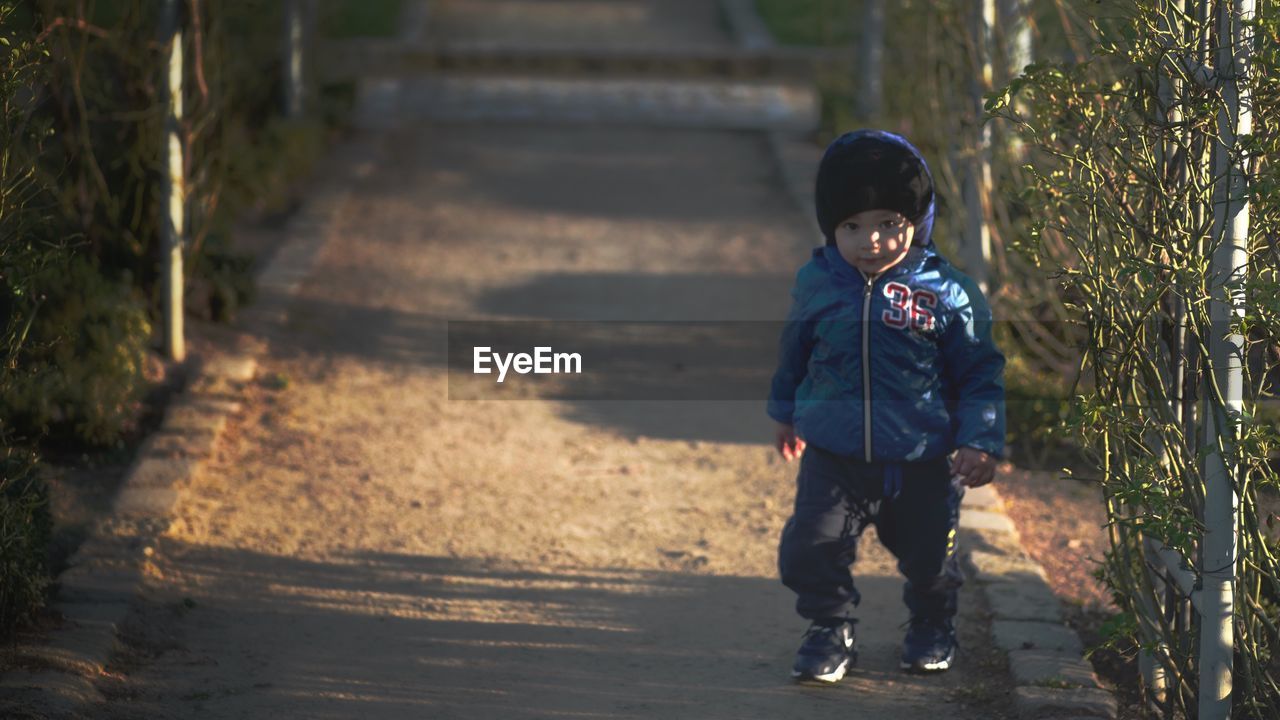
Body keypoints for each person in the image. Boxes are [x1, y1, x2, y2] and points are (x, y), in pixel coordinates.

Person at [766, 129, 1006, 684]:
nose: (869, 241)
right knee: (811, 545)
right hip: (835, 452)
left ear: (915, 222)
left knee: (929, 560)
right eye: (851, 226)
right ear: (832, 227)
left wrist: (980, 440)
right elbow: (795, 350)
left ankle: (931, 622)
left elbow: (979, 373)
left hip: (922, 456)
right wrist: (786, 411)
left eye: (887, 224)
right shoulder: (819, 283)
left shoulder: (948, 293)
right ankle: (829, 626)